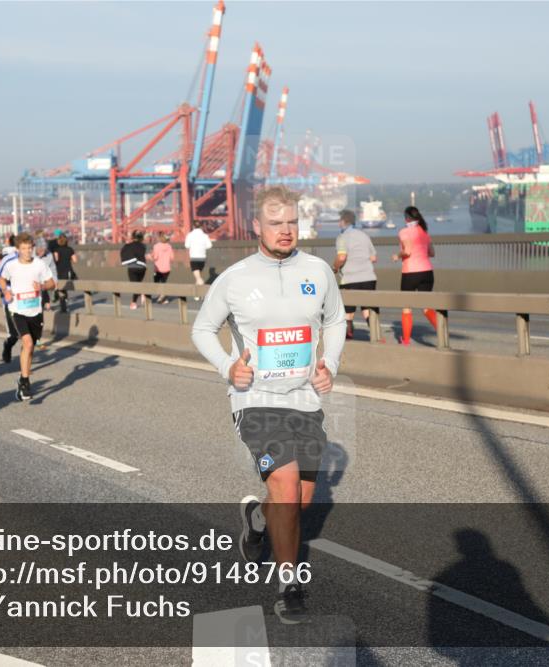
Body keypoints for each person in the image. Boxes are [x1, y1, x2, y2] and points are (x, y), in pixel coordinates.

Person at [191, 185, 346, 625]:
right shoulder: (235, 278)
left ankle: (257, 519)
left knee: (300, 499)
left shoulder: (318, 270)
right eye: (275, 223)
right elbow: (203, 329)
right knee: (285, 483)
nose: (285, 230)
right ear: (257, 226)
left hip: (304, 398)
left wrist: (328, 362)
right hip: (255, 399)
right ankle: (288, 585)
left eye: (292, 222)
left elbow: (335, 320)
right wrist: (227, 367)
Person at [0, 233, 55, 402]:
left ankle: (23, 379)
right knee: (28, 343)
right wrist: (6, 291)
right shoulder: (12, 265)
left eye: (30, 248)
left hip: (35, 311)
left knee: (29, 348)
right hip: (17, 309)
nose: (27, 251)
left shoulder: (40, 264)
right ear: (18, 250)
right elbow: (1, 279)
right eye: (24, 248)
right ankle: (25, 382)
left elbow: (52, 283)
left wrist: (43, 286)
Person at [392, 206, 437, 345]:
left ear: (406, 218)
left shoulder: (404, 232)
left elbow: (407, 251)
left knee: (406, 306)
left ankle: (406, 340)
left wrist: (397, 255)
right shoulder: (424, 232)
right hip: (427, 272)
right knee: (426, 306)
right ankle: (441, 329)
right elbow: (432, 253)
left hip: (410, 272)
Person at [332, 209, 378, 340]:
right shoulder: (364, 235)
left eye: (339, 221)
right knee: (367, 308)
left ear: (343, 222)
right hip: (369, 277)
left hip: (350, 278)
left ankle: (349, 337)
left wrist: (335, 268)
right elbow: (374, 258)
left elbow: (341, 257)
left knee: (348, 311)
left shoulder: (342, 237)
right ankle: (376, 336)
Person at [0, 241, 20, 363]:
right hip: (11, 302)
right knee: (14, 335)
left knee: (28, 337)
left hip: (27, 302)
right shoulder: (9, 259)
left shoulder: (33, 260)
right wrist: (7, 290)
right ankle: (7, 346)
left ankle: (25, 368)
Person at [120, 230, 147, 310]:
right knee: (138, 284)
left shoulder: (128, 246)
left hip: (133, 267)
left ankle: (134, 303)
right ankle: (141, 294)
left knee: (134, 285)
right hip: (142, 267)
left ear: (132, 237)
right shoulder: (143, 246)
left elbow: (124, 253)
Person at [52, 234, 78, 312]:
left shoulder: (56, 250)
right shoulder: (70, 249)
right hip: (68, 270)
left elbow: (56, 260)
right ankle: (64, 301)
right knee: (65, 286)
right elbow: (75, 260)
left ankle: (63, 304)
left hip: (59, 270)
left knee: (61, 287)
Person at [184, 221, 212, 292]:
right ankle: (196, 295)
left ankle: (204, 290)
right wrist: (202, 247)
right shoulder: (205, 235)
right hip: (202, 257)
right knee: (198, 277)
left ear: (193, 226)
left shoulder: (190, 235)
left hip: (194, 257)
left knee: (199, 278)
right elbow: (209, 245)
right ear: (201, 226)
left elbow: (187, 245)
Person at [148, 231, 174, 304]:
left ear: (159, 238)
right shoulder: (169, 246)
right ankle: (162, 296)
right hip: (167, 268)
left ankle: (161, 296)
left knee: (156, 283)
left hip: (158, 268)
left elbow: (155, 257)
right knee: (163, 282)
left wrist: (149, 257)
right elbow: (172, 258)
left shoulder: (156, 246)